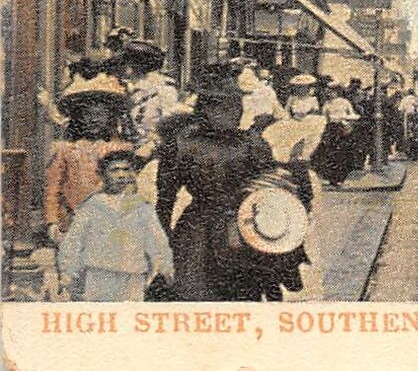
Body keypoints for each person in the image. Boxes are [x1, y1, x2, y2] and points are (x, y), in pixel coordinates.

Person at [157, 66, 281, 300]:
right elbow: (165, 200)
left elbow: (271, 191)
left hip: (244, 225)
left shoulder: (252, 143)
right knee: (194, 292)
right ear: (203, 109)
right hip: (197, 229)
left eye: (235, 105)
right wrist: (163, 242)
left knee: (245, 294)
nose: (232, 112)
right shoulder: (182, 144)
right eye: (220, 106)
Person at [56, 149, 173, 301]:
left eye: (126, 169)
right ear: (103, 174)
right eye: (114, 170)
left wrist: (166, 267)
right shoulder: (92, 206)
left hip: (133, 275)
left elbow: (157, 240)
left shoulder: (142, 207)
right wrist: (67, 274)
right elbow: (74, 241)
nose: (121, 175)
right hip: (99, 274)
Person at [44, 73, 134, 242]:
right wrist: (52, 223)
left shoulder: (122, 149)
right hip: (72, 223)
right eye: (88, 114)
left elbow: (130, 190)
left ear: (110, 117)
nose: (94, 119)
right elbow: (53, 189)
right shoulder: (66, 150)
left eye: (100, 114)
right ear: (79, 117)